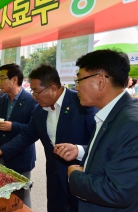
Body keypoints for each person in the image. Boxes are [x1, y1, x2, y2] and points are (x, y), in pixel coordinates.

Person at [0, 64, 97, 212]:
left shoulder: (81, 104)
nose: (33, 96)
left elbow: (98, 143)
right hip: (54, 178)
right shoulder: (40, 110)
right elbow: (27, 135)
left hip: (79, 178)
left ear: (52, 88)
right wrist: (0, 150)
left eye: (37, 91)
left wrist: (80, 151)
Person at [55, 49, 138, 211]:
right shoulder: (114, 113)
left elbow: (118, 191)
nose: (76, 87)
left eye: (79, 80)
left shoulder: (130, 123)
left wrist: (75, 176)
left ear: (100, 81)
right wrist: (79, 151)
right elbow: (113, 151)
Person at [0, 63, 37, 208]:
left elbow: (34, 130)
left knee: (21, 197)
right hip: (2, 156)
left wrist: (12, 126)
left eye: (2, 78)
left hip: (21, 157)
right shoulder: (3, 99)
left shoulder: (31, 101)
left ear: (14, 80)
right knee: (4, 195)